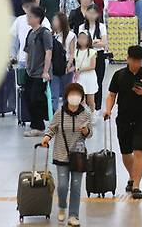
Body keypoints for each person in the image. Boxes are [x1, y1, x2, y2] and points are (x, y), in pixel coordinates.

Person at [103, 45, 142, 199]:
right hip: (123, 118)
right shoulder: (119, 75)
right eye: (133, 60)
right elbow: (111, 95)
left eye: (139, 61)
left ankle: (136, 185)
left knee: (139, 151)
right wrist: (108, 109)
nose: (136, 64)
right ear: (127, 59)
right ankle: (132, 176)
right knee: (126, 152)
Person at [40, 83, 92, 227]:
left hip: (78, 156)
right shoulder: (60, 113)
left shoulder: (86, 113)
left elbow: (90, 134)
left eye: (77, 94)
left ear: (81, 97)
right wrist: (46, 137)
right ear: (67, 96)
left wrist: (85, 131)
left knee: (76, 187)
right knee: (62, 186)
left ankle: (73, 216)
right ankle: (62, 205)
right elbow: (52, 128)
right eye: (71, 94)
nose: (74, 97)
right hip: (61, 153)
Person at [23, 7, 53, 137]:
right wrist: (27, 67)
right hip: (30, 72)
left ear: (37, 18)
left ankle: (39, 127)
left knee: (37, 99)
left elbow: (48, 52)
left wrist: (46, 71)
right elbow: (28, 51)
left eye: (30, 16)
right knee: (28, 98)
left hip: (40, 73)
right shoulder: (30, 32)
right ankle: (34, 124)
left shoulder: (44, 33)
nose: (27, 18)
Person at [77, 5, 107, 116]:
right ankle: (85, 108)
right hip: (85, 55)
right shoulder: (81, 27)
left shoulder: (102, 27)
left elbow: (104, 43)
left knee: (98, 81)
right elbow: (81, 41)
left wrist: (92, 42)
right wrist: (95, 41)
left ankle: (96, 107)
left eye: (94, 13)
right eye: (89, 12)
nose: (91, 15)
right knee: (83, 82)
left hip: (98, 55)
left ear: (98, 14)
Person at [10, 0, 51, 67]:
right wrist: (13, 55)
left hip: (38, 60)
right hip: (22, 60)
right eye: (27, 6)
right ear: (23, 7)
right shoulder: (19, 20)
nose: (30, 8)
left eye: (32, 6)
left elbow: (48, 37)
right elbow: (13, 39)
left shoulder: (43, 19)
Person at [51, 12, 76, 111]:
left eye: (55, 20)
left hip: (66, 66)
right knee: (54, 94)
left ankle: (67, 114)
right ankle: (53, 115)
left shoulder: (70, 35)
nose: (54, 22)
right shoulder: (51, 34)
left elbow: (72, 52)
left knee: (67, 93)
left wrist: (69, 65)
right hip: (54, 66)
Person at [73, 32, 98, 113]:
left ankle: (92, 114)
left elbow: (92, 66)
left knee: (90, 99)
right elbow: (75, 65)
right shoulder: (75, 51)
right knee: (81, 99)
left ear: (88, 40)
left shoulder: (92, 52)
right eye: (80, 38)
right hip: (79, 78)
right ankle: (83, 116)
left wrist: (80, 70)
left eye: (84, 38)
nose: (81, 40)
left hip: (89, 77)